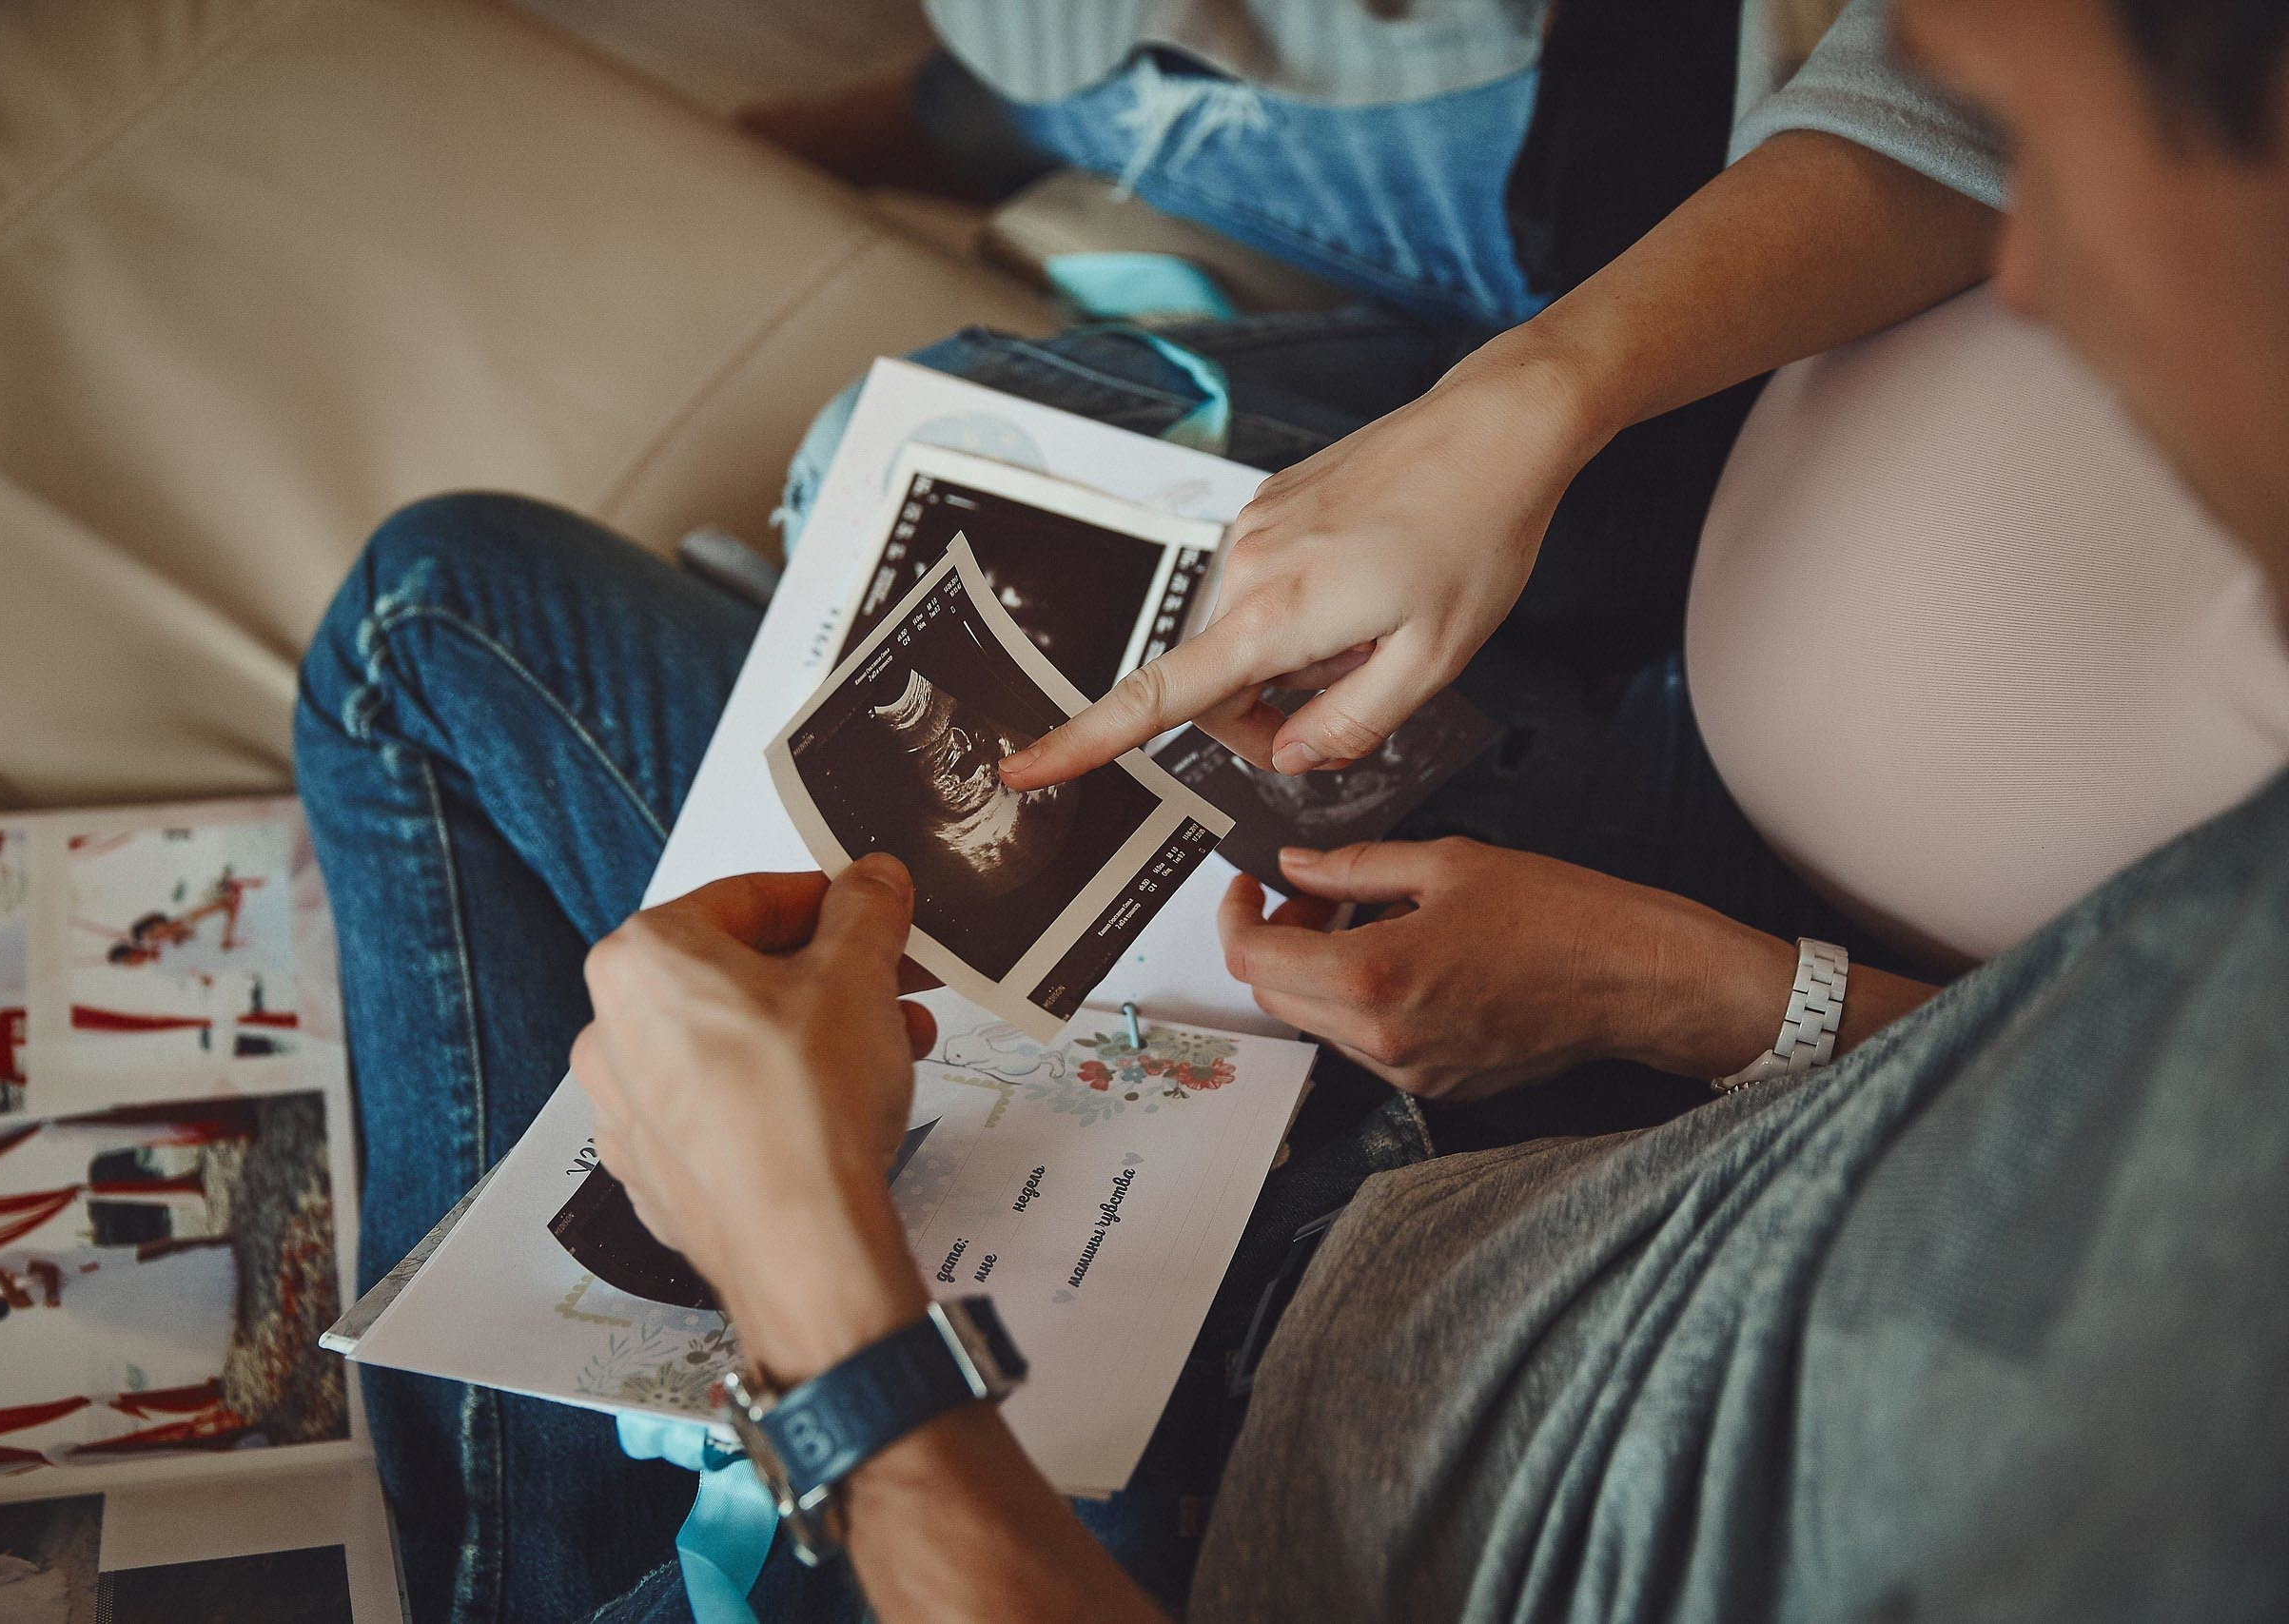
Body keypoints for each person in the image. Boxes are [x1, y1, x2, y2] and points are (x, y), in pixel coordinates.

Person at [294, 4, 2289, 1622]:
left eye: (2081, 167)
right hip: (1549, 1102)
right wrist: (1678, 984)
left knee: (416, 650)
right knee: (449, 594)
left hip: (1225, 1496)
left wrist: (814, 1292)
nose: (2019, 262)